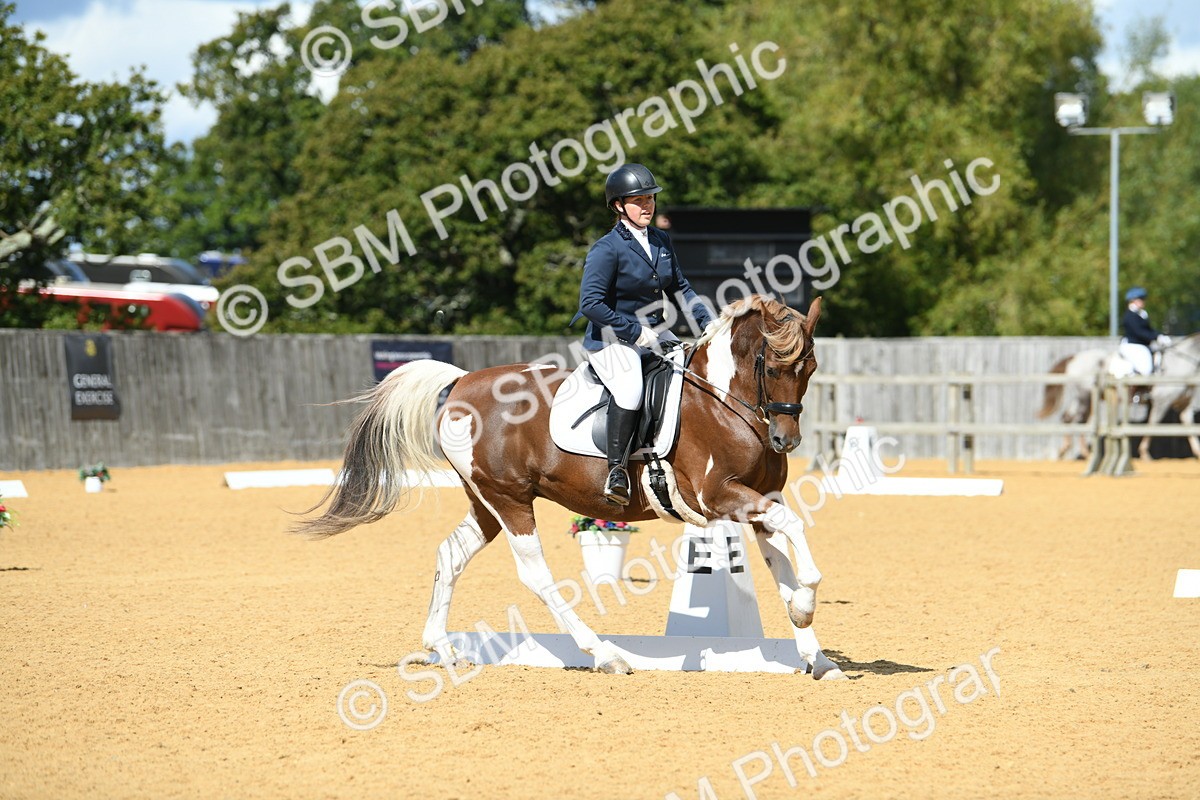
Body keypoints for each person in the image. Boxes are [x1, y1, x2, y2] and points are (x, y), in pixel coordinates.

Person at [573, 163, 716, 506]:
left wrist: (708, 322)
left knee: (690, 375)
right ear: (619, 206)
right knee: (631, 387)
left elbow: (681, 287)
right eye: (638, 200)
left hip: (654, 334)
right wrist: (634, 332)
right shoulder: (607, 249)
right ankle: (617, 472)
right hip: (610, 339)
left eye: (650, 198)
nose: (648, 205)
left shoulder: (661, 240)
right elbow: (590, 303)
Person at [1119, 286, 1171, 376]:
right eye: (1141, 299)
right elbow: (1139, 332)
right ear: (1133, 300)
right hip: (1133, 345)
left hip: (1142, 345)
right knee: (1145, 369)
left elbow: (1149, 330)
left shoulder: (1141, 314)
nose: (1143, 301)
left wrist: (1160, 335)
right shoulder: (1130, 315)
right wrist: (1156, 337)